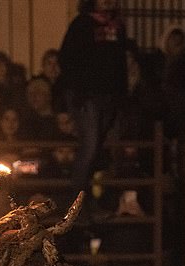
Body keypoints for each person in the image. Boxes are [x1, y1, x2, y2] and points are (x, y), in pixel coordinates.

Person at [58, 0, 127, 205]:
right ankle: (76, 203)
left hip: (109, 96)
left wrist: (121, 94)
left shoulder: (117, 26)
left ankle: (97, 200)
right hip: (86, 96)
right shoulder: (81, 24)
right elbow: (67, 58)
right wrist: (79, 89)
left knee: (100, 149)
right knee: (89, 146)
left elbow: (120, 61)